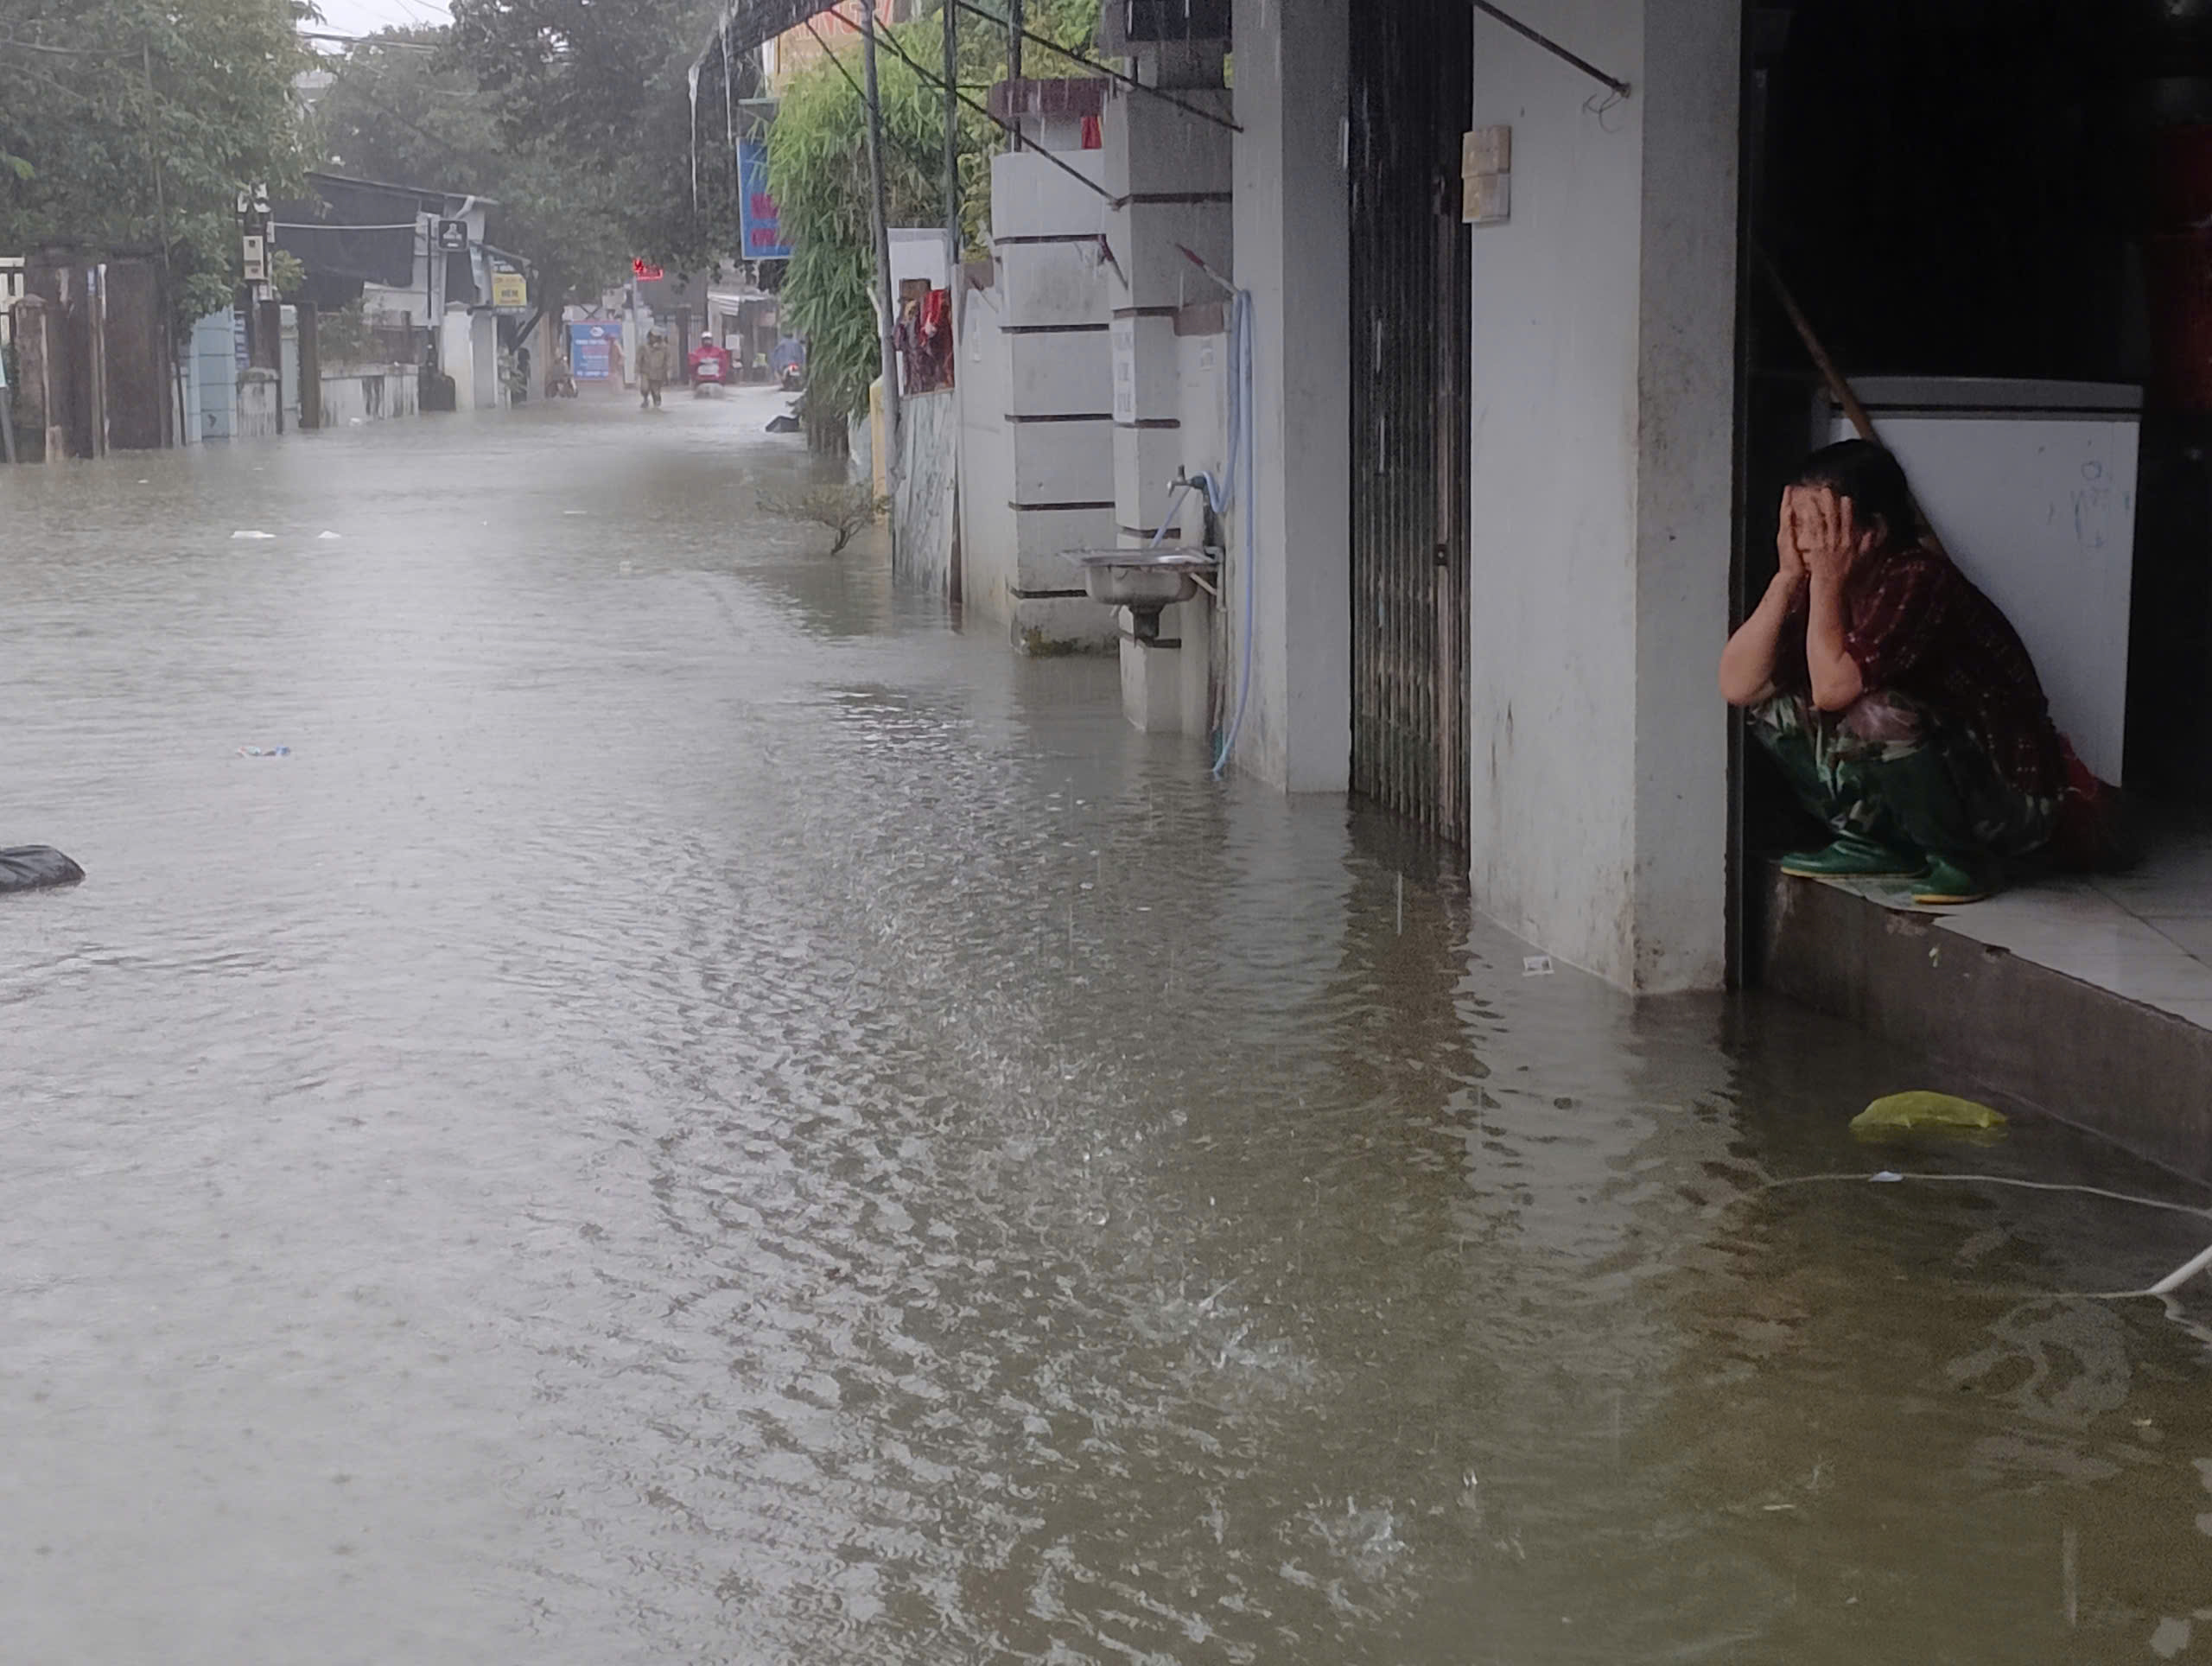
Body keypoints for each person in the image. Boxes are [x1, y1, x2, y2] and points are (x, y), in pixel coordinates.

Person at [1719, 439, 2065, 906]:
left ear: (1873, 530)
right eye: (1798, 523)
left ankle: (1962, 861)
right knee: (1770, 699)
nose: (1808, 540)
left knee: (1873, 708)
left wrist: (1823, 580)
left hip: (2009, 801)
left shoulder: (1917, 578)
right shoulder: (1822, 579)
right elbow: (1738, 685)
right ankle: (1876, 844)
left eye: (1823, 526)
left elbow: (1834, 690)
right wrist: (1786, 579)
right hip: (1932, 783)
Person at [637, 328, 670, 409]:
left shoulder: (664, 347)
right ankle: (645, 399)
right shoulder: (644, 347)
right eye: (652, 336)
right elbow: (638, 359)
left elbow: (668, 359)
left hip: (658, 372)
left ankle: (657, 404)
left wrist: (668, 371)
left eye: (655, 337)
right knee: (644, 388)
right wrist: (636, 371)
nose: (653, 338)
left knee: (656, 391)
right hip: (646, 371)